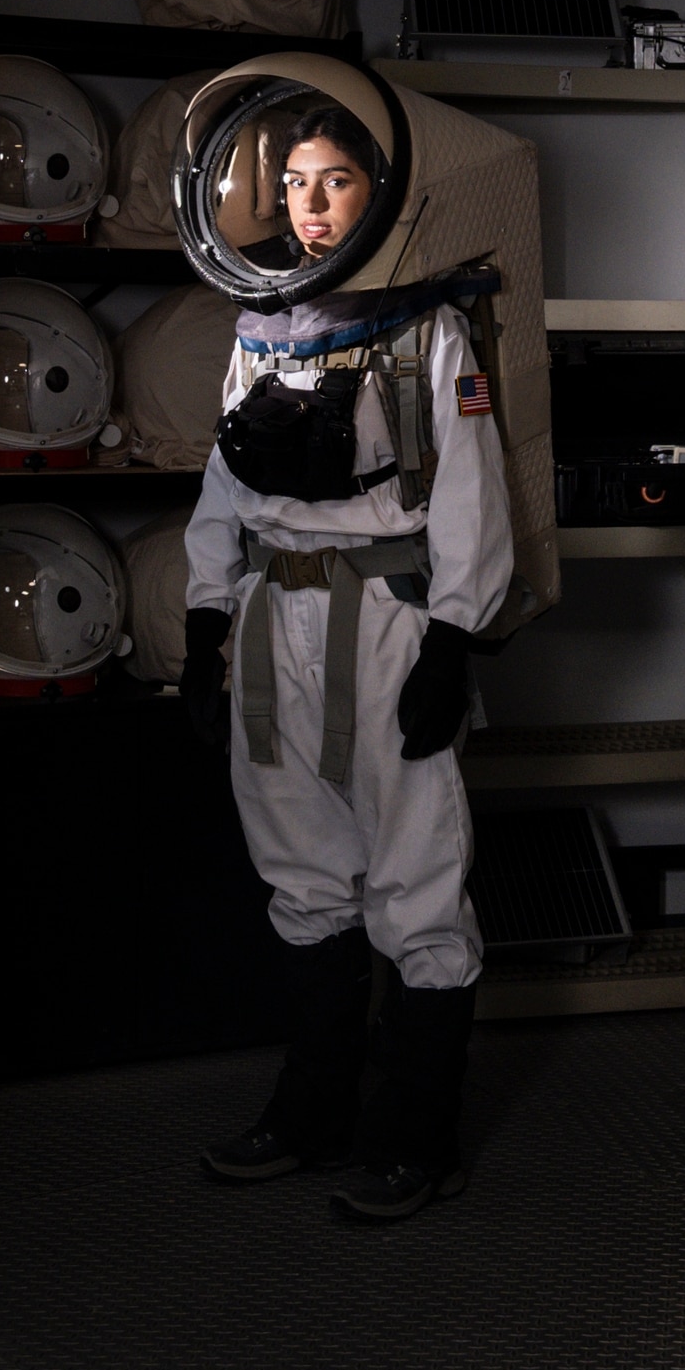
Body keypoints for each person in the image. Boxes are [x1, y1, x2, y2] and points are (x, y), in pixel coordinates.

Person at [177, 105, 509, 1222]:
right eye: (297, 188)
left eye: (336, 184)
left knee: (415, 881)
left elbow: (469, 489)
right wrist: (206, 616)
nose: (312, 208)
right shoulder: (260, 325)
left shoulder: (429, 333)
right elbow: (224, 481)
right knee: (303, 874)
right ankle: (313, 1114)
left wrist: (452, 639)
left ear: (382, 194)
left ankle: (418, 1135)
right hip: (278, 620)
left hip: (388, 619)